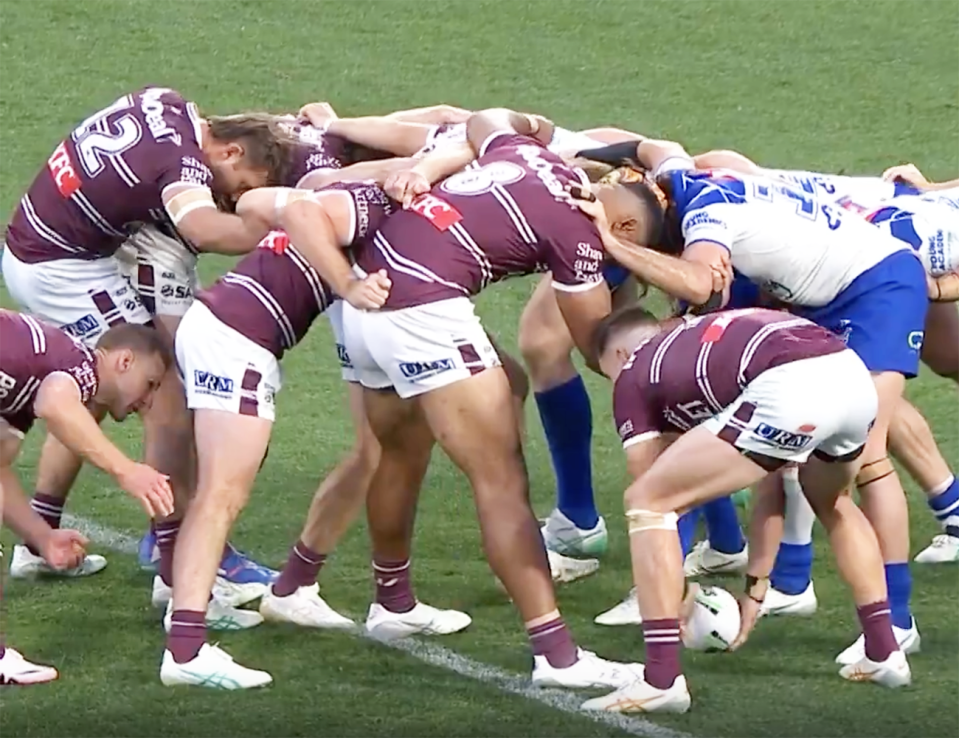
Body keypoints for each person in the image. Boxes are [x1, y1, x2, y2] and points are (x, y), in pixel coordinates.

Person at [575, 138, 928, 666]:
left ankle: (897, 623)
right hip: (821, 300)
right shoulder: (679, 180)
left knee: (865, 461)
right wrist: (588, 150)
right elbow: (658, 146)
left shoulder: (707, 215)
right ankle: (787, 583)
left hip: (873, 287)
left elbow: (698, 280)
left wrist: (614, 244)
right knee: (790, 458)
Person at [338, 108, 647, 690]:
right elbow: (598, 347)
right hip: (423, 309)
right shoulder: (580, 229)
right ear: (624, 227)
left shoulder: (529, 154)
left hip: (365, 297)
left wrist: (526, 122)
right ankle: (557, 657)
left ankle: (393, 602)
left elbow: (484, 119)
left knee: (410, 447)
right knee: (501, 480)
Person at [1, 88, 287, 598]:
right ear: (229, 151)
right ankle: (175, 553)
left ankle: (37, 538)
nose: (232, 199)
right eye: (238, 186)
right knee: (162, 386)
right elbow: (201, 225)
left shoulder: (169, 102)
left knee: (83, 386)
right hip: (62, 267)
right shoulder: (182, 163)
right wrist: (288, 230)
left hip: (47, 247)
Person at [580, 305, 911, 714]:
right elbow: (771, 483)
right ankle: (884, 652)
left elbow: (651, 486)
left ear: (616, 357)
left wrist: (681, 595)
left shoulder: (633, 372)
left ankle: (661, 680)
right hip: (853, 378)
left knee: (647, 504)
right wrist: (756, 588)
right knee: (834, 501)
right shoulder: (705, 336)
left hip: (791, 385)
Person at [160, 178, 404, 688]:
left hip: (223, 328)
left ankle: (189, 608)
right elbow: (287, 208)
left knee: (219, 491)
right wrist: (350, 285)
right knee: (220, 495)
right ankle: (185, 651)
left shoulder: (348, 194)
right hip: (236, 340)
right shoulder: (364, 203)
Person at [0, 312, 173, 684]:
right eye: (150, 383)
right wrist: (127, 470)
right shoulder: (80, 366)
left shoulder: (25, 386)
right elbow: (56, 405)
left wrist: (41, 535)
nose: (148, 400)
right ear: (123, 361)